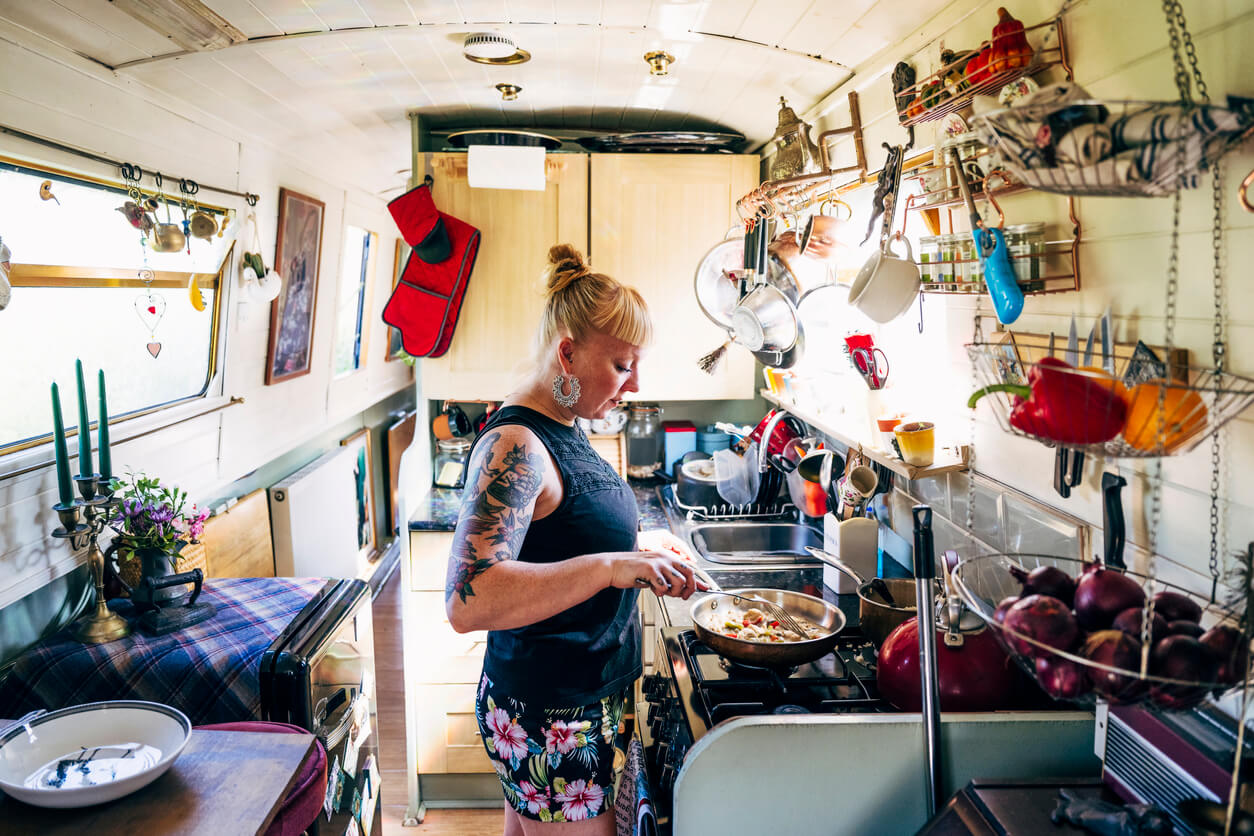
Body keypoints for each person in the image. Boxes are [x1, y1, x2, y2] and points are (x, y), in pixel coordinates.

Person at [446, 244, 700, 835]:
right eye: (621, 365)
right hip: (553, 712)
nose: (635, 383)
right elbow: (469, 600)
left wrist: (641, 550)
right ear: (568, 353)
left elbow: (564, 535)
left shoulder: (564, 424)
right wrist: (614, 566)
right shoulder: (515, 445)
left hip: (578, 699)